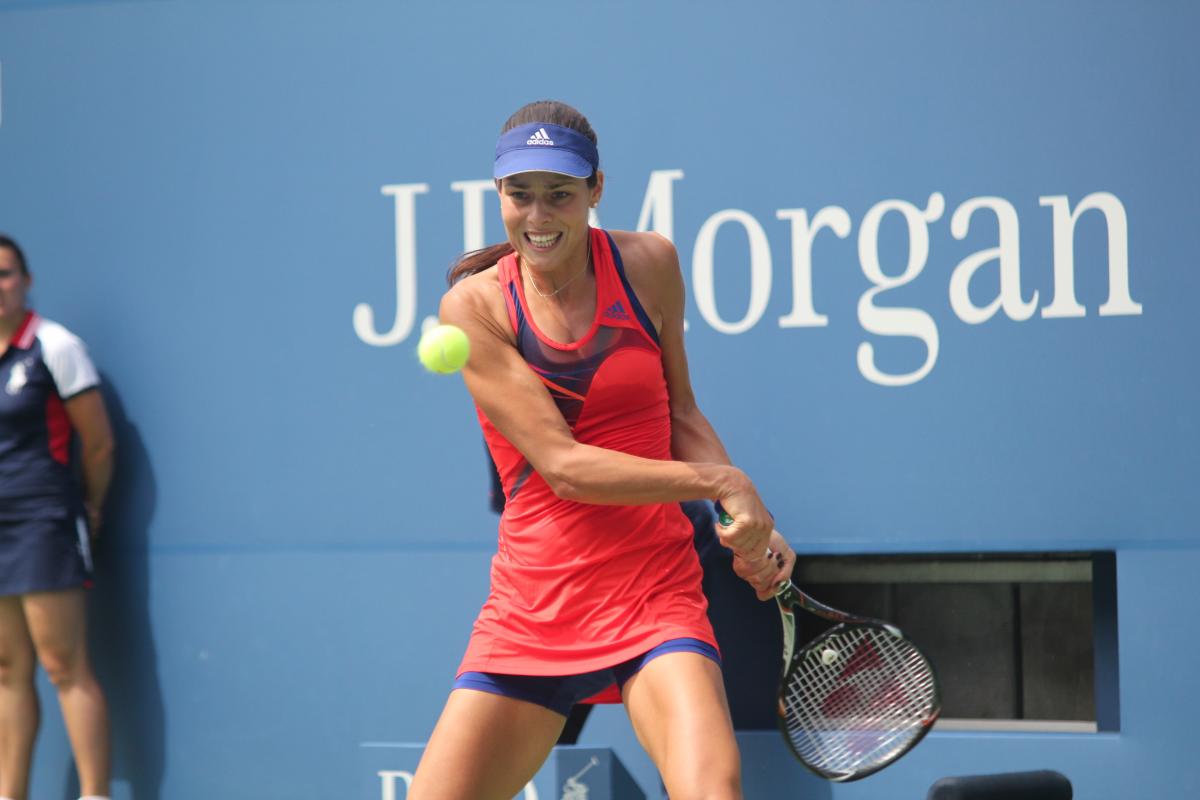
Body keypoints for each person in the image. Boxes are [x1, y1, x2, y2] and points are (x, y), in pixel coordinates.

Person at [409, 101, 794, 800]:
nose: (538, 215)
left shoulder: (649, 264)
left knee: (714, 789)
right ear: (498, 193)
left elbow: (680, 411)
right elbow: (564, 469)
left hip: (654, 593)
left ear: (596, 189)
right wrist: (723, 482)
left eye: (559, 194)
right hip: (535, 604)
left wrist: (747, 516)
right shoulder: (475, 308)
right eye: (519, 194)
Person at [0, 235, 114, 800]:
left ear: (26, 280)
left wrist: (89, 507)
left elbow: (98, 444)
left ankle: (95, 794)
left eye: (5, 274)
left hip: (44, 520)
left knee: (62, 664)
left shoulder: (56, 346)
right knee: (6, 670)